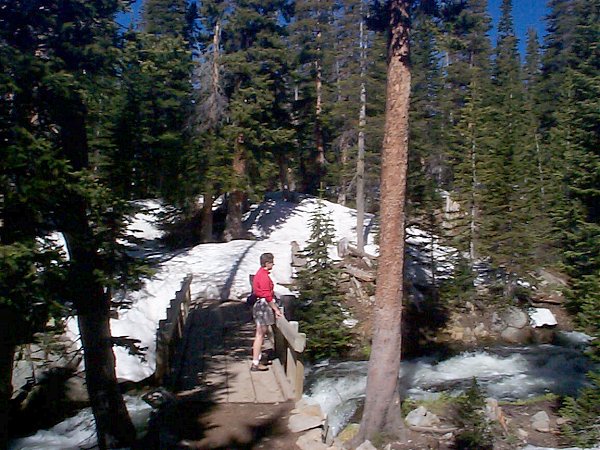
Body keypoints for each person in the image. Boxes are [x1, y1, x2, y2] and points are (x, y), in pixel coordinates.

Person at [251, 252, 283, 372]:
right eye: (271, 262)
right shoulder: (263, 276)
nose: (273, 264)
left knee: (260, 334)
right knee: (260, 335)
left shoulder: (260, 273)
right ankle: (255, 363)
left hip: (260, 305)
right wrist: (276, 309)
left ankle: (257, 359)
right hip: (263, 307)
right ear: (267, 263)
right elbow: (267, 296)